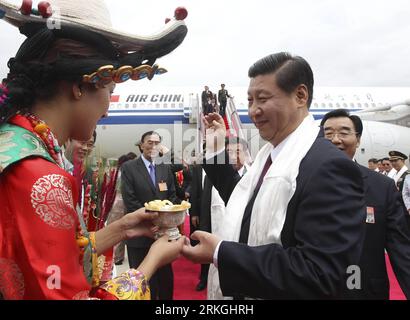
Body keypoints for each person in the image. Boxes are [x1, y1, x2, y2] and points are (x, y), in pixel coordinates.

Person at [0, 0, 187, 300]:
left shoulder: (17, 143)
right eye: (109, 93)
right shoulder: (39, 176)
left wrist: (122, 228)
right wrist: (149, 265)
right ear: (80, 86)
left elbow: (45, 253)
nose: (107, 111)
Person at [182, 52, 366, 299]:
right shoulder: (268, 156)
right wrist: (216, 150)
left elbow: (321, 272)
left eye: (263, 99)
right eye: (249, 100)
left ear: (300, 96)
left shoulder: (327, 166)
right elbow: (246, 205)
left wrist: (221, 253)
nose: (253, 111)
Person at [321, 109, 410, 300]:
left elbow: (401, 249)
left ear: (358, 139)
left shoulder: (382, 186)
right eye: (328, 134)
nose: (336, 139)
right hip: (317, 289)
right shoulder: (299, 181)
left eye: (344, 133)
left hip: (367, 291)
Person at [121, 131, 179, 300]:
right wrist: (151, 220)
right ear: (141, 144)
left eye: (157, 143)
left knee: (165, 281)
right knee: (143, 283)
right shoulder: (129, 167)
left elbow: (172, 196)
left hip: (163, 234)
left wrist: (168, 219)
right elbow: (130, 200)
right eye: (149, 142)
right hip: (139, 235)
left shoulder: (164, 167)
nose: (153, 146)